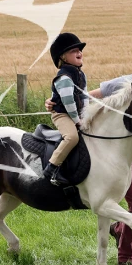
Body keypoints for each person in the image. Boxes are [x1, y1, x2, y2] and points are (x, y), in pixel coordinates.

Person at [45, 42, 132, 265]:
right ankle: (125, 257)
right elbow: (89, 97)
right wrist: (56, 101)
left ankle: (117, 228)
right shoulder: (125, 84)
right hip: (126, 158)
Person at [44, 32, 88, 186]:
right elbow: (68, 103)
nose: (79, 53)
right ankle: (52, 167)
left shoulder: (80, 75)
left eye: (79, 50)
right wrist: (77, 121)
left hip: (76, 114)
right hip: (62, 114)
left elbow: (85, 97)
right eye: (73, 51)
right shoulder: (64, 77)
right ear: (62, 57)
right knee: (72, 137)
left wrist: (86, 116)